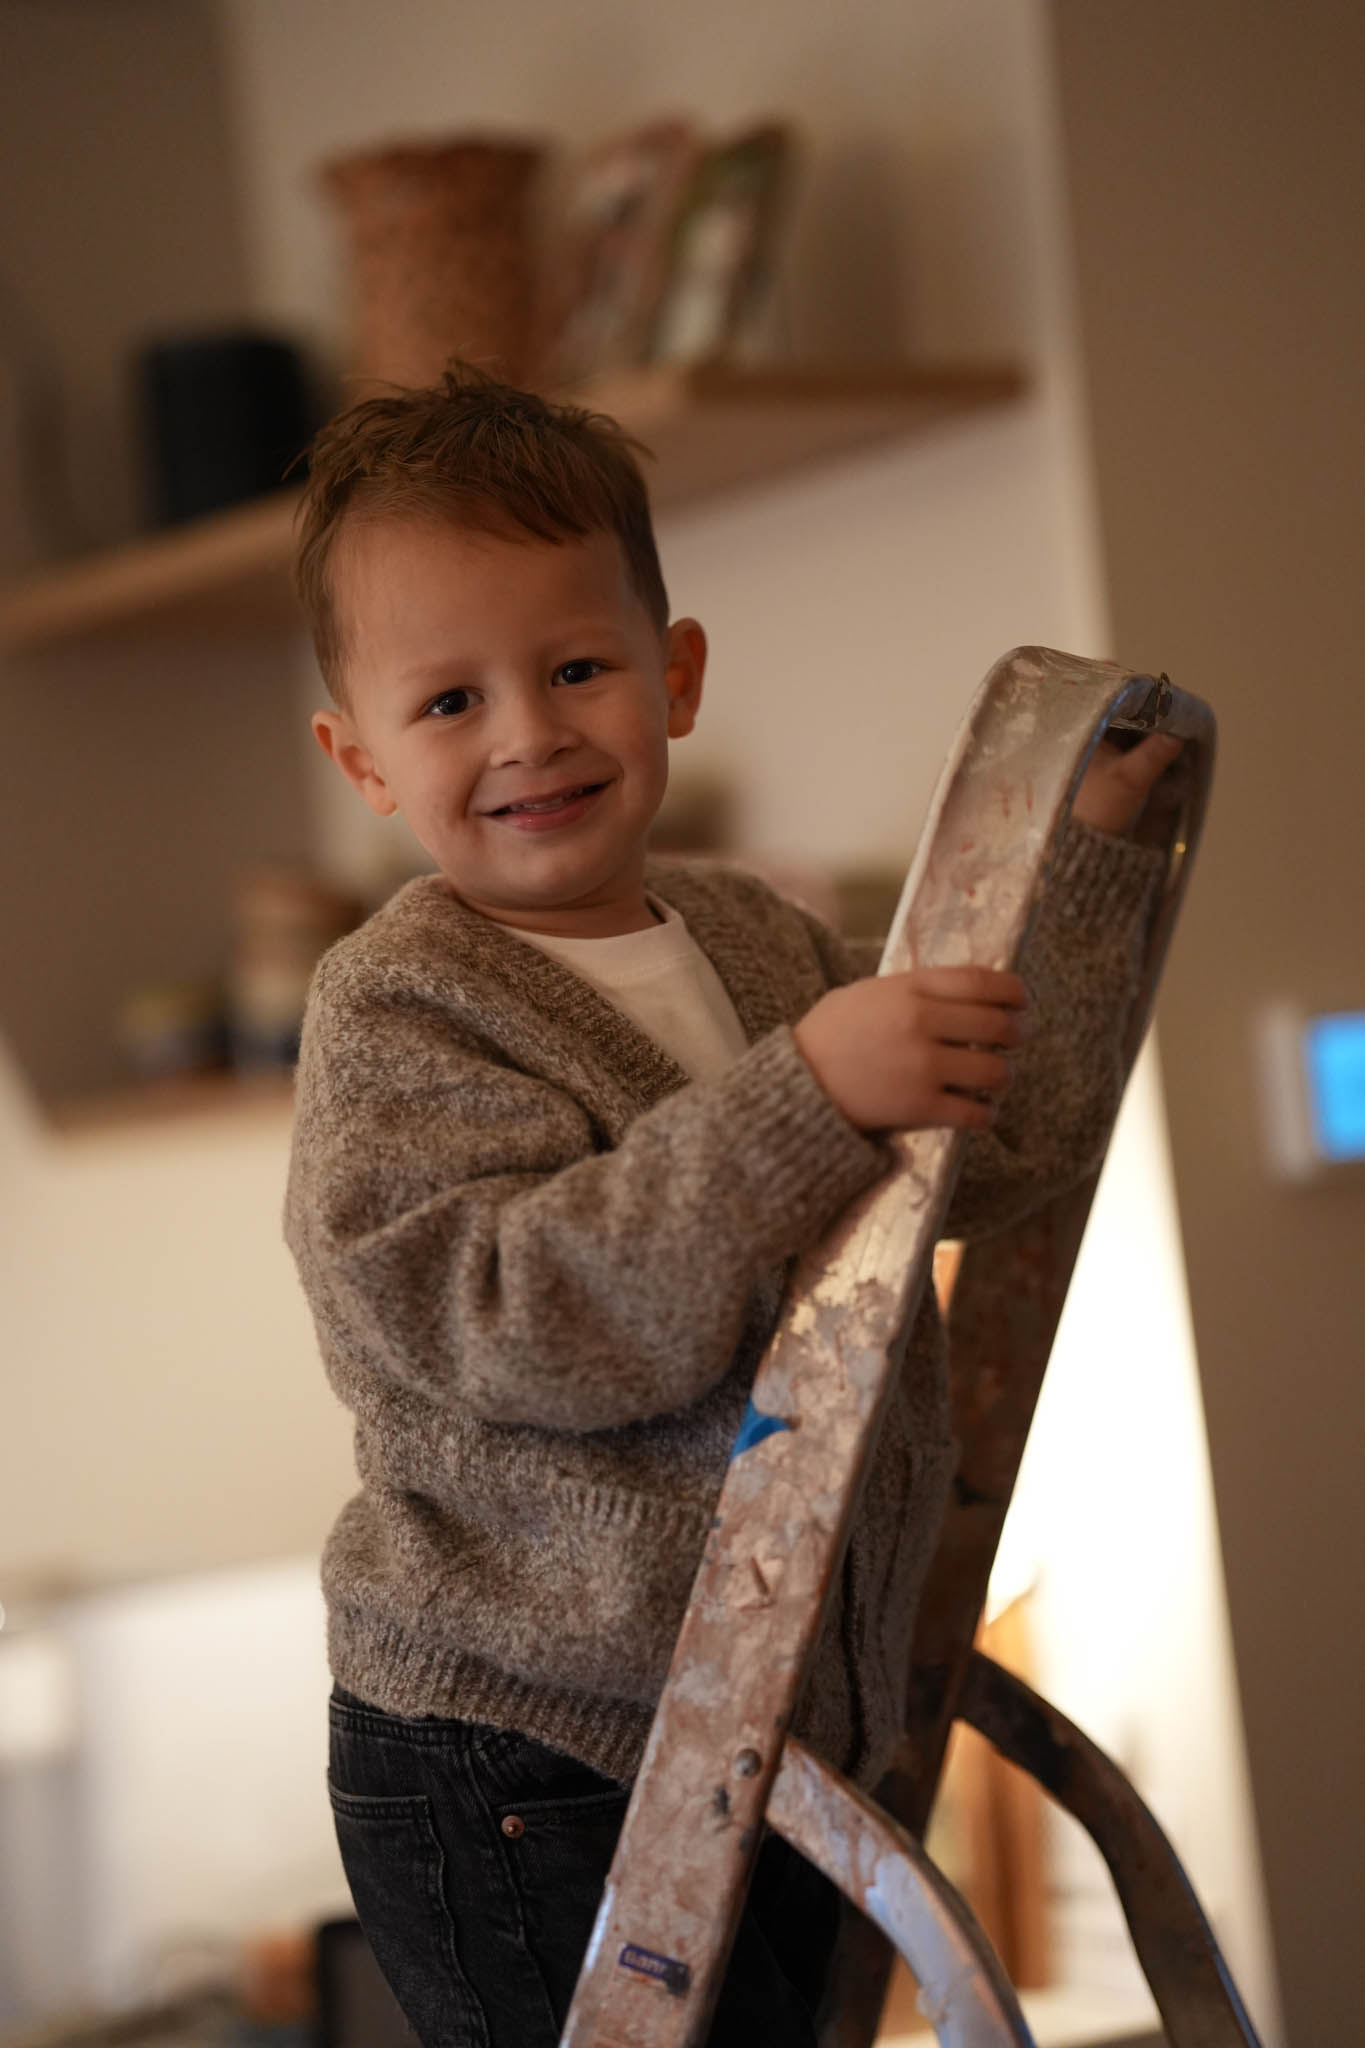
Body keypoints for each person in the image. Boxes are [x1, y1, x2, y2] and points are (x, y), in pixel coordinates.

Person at [283, 364, 1177, 2047]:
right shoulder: (399, 1005)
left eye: (572, 668)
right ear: (359, 756)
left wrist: (1090, 876)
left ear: (671, 676)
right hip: (522, 1751)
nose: (530, 733)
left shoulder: (756, 942)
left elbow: (992, 1150)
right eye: (450, 703)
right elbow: (515, 1320)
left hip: (750, 1721)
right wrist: (805, 1095)